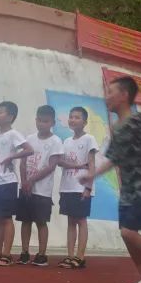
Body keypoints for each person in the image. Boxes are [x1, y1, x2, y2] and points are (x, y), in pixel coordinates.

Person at [82, 76, 141, 283]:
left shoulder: (139, 120)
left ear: (124, 96)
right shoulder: (116, 128)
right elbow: (114, 159)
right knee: (125, 235)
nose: (106, 97)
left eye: (110, 92)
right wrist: (92, 175)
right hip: (128, 190)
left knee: (129, 232)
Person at [0, 101, 32, 266]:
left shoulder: (13, 134)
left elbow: (29, 149)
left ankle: (7, 254)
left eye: (1, 112)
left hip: (7, 182)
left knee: (6, 218)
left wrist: (11, 157)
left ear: (10, 117)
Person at [16, 105, 64, 266]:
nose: (42, 124)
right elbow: (22, 162)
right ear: (35, 120)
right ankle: (24, 252)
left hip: (42, 190)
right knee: (25, 221)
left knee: (41, 221)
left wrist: (32, 180)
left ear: (52, 122)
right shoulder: (29, 139)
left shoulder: (56, 141)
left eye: (46, 121)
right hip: (25, 188)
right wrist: (24, 182)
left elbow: (51, 166)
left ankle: (42, 254)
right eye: (39, 120)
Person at [57, 107, 98, 269]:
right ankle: (70, 255)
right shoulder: (66, 141)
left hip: (81, 187)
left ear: (85, 122)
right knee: (70, 221)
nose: (73, 120)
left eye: (77, 117)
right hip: (67, 187)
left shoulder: (89, 139)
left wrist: (88, 187)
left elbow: (92, 165)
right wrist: (75, 164)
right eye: (71, 117)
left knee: (81, 220)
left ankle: (80, 257)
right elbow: (60, 162)